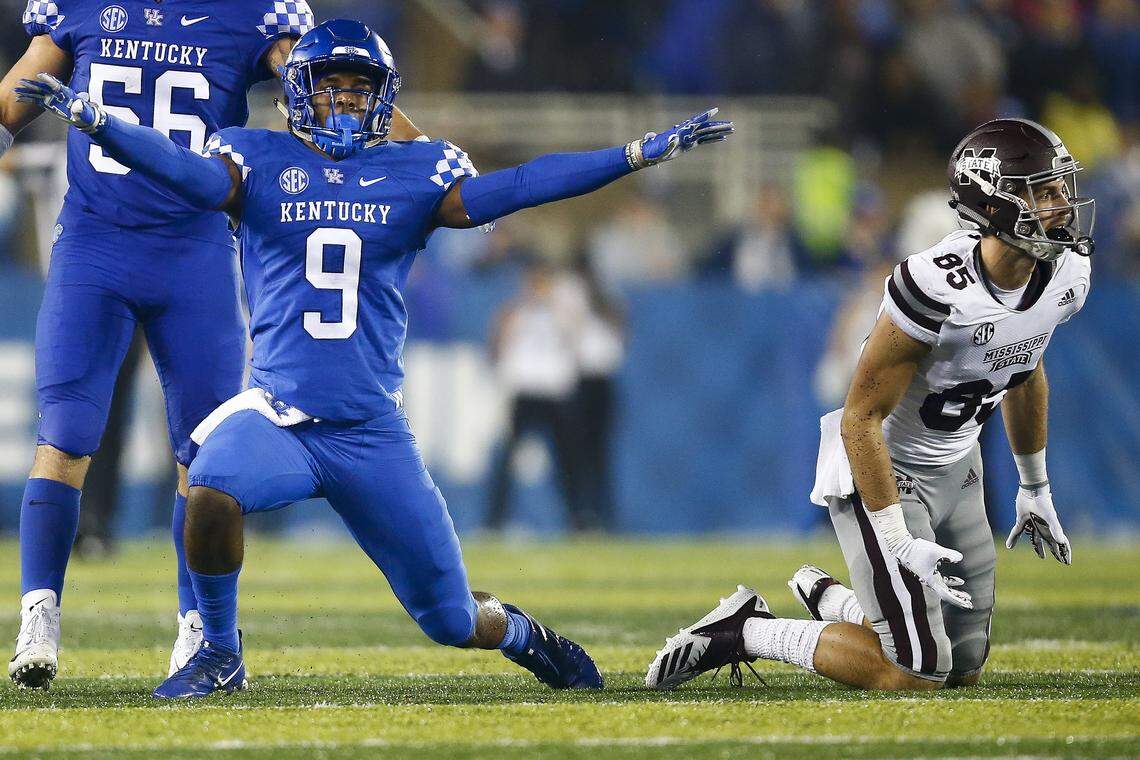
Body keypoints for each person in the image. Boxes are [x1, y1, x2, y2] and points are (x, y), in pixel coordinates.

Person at [17, 18, 733, 698]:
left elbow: (516, 186)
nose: (343, 100)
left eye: (358, 88)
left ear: (383, 99)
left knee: (452, 620)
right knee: (209, 485)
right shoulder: (253, 156)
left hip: (370, 433)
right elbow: (187, 174)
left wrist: (635, 155)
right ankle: (219, 650)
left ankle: (517, 631)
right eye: (329, 85)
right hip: (281, 419)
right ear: (297, 91)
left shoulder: (415, 172)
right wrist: (100, 121)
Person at [0, 0, 426, 690]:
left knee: (201, 457)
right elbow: (14, 97)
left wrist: (426, 163)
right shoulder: (78, 8)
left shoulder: (258, 14)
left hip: (194, 254)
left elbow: (327, 92)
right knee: (67, 433)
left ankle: (195, 626)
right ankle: (39, 612)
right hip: (94, 248)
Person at [644, 118, 1093, 691]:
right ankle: (745, 629)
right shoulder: (934, 285)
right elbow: (860, 417)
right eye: (1044, 191)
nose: (1063, 204)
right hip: (883, 470)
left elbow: (1025, 371)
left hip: (959, 465)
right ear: (996, 201)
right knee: (915, 673)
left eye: (1061, 188)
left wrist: (1035, 487)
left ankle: (837, 601)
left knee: (964, 664)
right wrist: (897, 536)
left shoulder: (1066, 272)